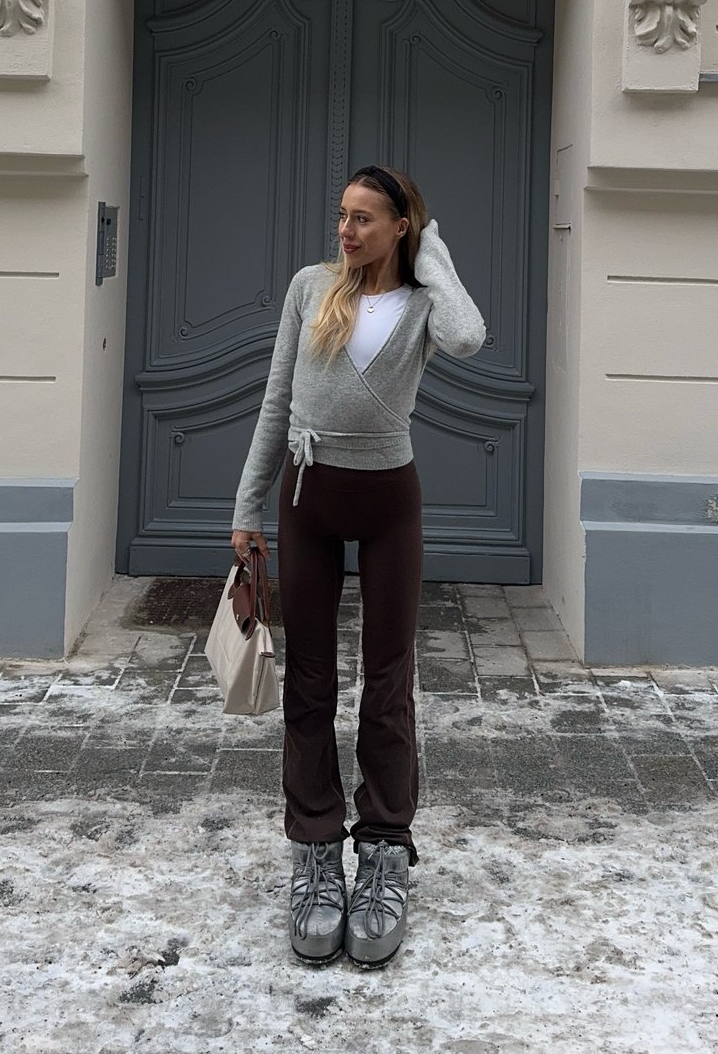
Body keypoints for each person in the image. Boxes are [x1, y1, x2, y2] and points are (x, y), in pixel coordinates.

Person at [230, 164, 486, 967]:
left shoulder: (420, 303)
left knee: (388, 678)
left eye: (366, 218)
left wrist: (434, 250)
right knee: (308, 680)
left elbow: (470, 336)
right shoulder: (312, 287)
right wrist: (246, 507)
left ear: (401, 226)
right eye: (342, 214)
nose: (346, 230)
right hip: (307, 496)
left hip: (388, 504)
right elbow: (277, 400)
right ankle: (313, 850)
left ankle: (382, 848)